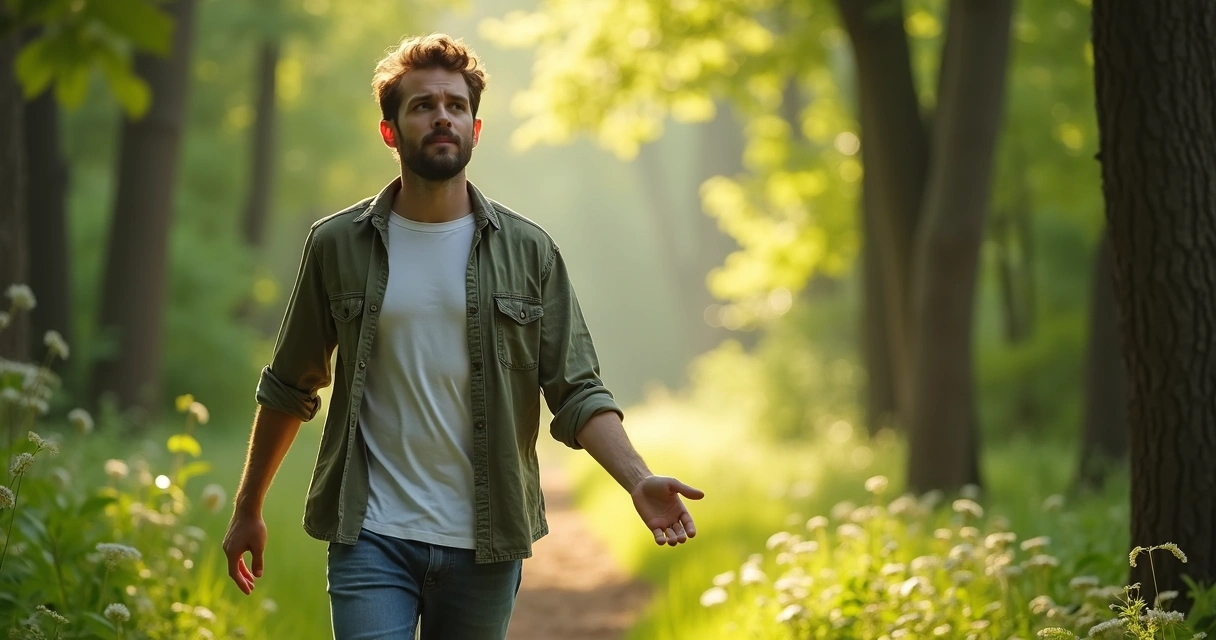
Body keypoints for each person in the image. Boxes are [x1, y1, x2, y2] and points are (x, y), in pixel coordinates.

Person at [221, 33, 704, 640]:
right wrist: (247, 509)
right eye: (422, 105)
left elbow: (577, 390)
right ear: (390, 131)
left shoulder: (530, 251)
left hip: (486, 542)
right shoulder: (337, 245)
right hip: (371, 534)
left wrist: (639, 478)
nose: (442, 115)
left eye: (455, 105)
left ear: (476, 128)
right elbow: (290, 384)